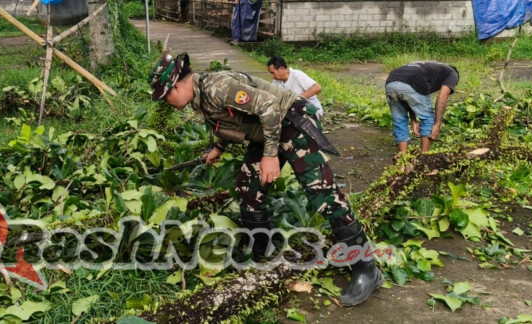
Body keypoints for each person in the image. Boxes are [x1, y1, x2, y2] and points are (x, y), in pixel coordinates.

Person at [149, 52, 383, 307]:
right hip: (269, 129)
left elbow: (269, 105)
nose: (166, 102)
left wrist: (271, 156)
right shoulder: (199, 96)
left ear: (179, 85)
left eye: (166, 95)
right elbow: (232, 119)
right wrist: (218, 147)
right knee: (248, 189)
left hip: (292, 119)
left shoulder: (218, 87)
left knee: (322, 193)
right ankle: (265, 255)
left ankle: (366, 269)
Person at [385, 61, 459, 154]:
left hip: (391, 82)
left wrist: (413, 120)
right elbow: (442, 98)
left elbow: (408, 98)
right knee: (428, 119)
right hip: (411, 82)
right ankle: (424, 157)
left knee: (399, 121)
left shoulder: (431, 69)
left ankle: (403, 159)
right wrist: (437, 124)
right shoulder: (452, 73)